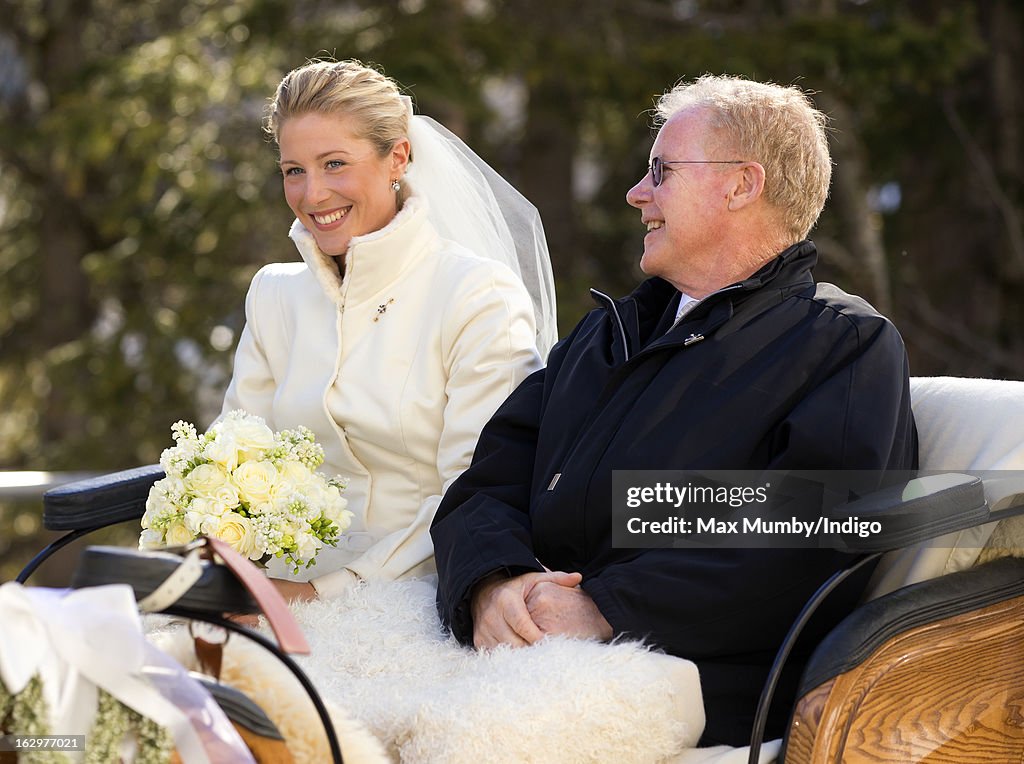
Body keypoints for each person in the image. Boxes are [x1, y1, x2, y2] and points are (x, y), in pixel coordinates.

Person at [430, 74, 918, 746]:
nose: (636, 193)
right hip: (532, 653)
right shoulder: (607, 334)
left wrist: (604, 608)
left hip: (695, 680)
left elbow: (811, 539)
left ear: (741, 185)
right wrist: (492, 582)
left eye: (661, 171)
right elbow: (487, 484)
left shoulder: (842, 345)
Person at [221, 59, 557, 602]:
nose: (312, 195)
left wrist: (323, 591)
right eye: (293, 170)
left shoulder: (477, 295)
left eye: (334, 163)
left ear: (397, 157)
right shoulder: (273, 293)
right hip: (272, 591)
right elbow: (234, 459)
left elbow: (476, 492)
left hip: (424, 590)